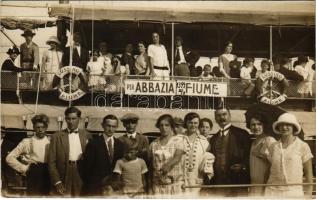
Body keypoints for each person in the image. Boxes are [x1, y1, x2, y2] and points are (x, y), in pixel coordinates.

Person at [265, 113, 313, 198]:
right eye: (281, 125)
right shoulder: (273, 146)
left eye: (288, 125)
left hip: (294, 192)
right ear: (278, 127)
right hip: (272, 192)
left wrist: (308, 195)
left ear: (293, 127)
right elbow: (268, 170)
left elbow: (309, 174)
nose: (284, 127)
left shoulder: (303, 146)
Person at [208, 106, 251, 197]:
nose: (222, 117)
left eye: (224, 114)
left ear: (230, 116)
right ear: (215, 119)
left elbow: (250, 154)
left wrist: (243, 166)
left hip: (237, 181)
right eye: (218, 115)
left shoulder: (242, 134)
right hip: (219, 183)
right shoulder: (213, 138)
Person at [48, 107, 90, 197]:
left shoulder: (87, 135)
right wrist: (57, 181)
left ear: (79, 119)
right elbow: (51, 162)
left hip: (80, 172)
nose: (71, 122)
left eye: (74, 118)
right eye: (68, 118)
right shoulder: (56, 136)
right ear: (65, 119)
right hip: (63, 173)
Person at [6, 114, 50, 196]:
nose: (40, 130)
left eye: (42, 127)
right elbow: (9, 157)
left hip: (49, 173)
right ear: (33, 128)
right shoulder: (27, 141)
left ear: (46, 128)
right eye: (37, 127)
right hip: (34, 173)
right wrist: (24, 168)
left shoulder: (51, 141)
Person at [82, 114, 124, 196]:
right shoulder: (93, 144)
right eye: (108, 126)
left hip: (114, 189)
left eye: (113, 126)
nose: (110, 129)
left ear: (117, 127)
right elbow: (87, 168)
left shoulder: (120, 144)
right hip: (96, 187)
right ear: (102, 125)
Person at [175, 112, 215, 196]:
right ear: (186, 123)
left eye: (195, 123)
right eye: (190, 122)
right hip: (180, 182)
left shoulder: (204, 142)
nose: (193, 125)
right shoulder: (177, 140)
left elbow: (208, 164)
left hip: (197, 183)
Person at [148, 114, 185, 196]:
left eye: (166, 125)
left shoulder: (178, 141)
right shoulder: (153, 144)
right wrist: (150, 187)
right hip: (157, 186)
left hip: (174, 186)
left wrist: (168, 164)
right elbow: (150, 167)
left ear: (171, 126)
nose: (164, 128)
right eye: (161, 125)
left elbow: (177, 157)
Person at [248, 115, 276, 197]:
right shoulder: (253, 143)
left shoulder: (269, 140)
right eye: (253, 125)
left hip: (266, 184)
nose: (256, 127)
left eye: (259, 124)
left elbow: (276, 163)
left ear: (264, 125)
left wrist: (264, 155)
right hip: (254, 184)